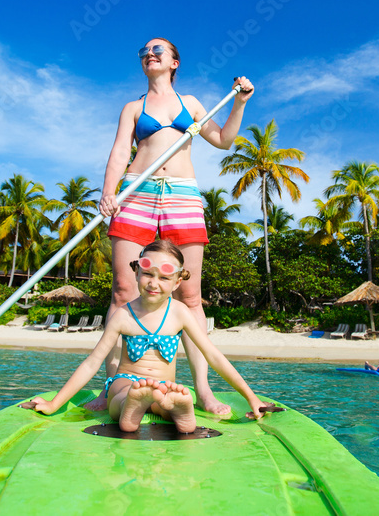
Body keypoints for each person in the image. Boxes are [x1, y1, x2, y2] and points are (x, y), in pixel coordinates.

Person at [88, 37, 255, 415]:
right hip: (136, 193)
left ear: (174, 62)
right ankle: (111, 387)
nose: (150, 54)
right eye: (144, 51)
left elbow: (223, 140)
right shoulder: (133, 107)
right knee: (122, 290)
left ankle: (203, 390)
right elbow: (119, 152)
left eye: (158, 50)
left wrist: (240, 102)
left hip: (182, 196)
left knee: (190, 296)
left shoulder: (191, 104)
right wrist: (108, 192)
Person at [22, 240, 266, 432]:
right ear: (137, 272)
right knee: (121, 395)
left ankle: (178, 412)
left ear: (178, 281)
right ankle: (131, 406)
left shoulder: (179, 313)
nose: (154, 283)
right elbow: (91, 363)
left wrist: (251, 398)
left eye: (164, 277)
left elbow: (213, 356)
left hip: (162, 385)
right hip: (126, 381)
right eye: (148, 274)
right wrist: (55, 403)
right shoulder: (123, 315)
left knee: (166, 398)